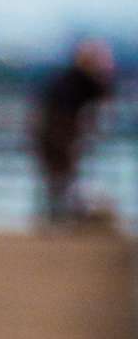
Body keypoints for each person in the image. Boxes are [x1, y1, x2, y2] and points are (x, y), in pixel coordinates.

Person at [31, 38, 116, 222]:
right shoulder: (79, 81)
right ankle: (60, 216)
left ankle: (57, 216)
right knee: (62, 177)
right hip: (58, 135)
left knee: (58, 178)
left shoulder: (69, 79)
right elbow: (103, 94)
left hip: (52, 135)